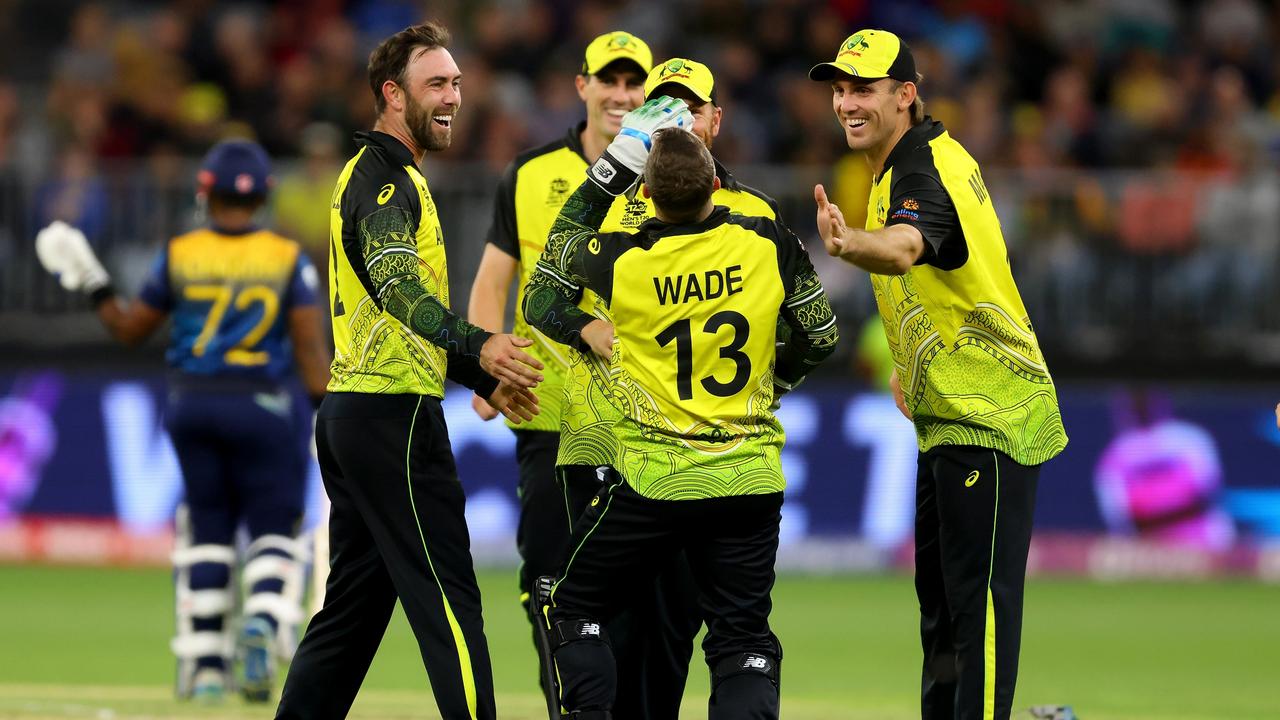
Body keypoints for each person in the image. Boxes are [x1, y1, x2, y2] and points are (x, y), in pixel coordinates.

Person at [523, 97, 839, 720]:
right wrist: (778, 383)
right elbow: (822, 334)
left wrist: (611, 166)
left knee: (571, 603)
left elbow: (541, 296)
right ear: (716, 186)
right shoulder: (767, 242)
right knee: (742, 640)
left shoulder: (622, 260)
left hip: (653, 479)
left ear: (647, 192)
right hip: (749, 477)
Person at [273, 22, 542, 720]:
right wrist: (480, 345)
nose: (453, 96)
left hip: (355, 414)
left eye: (456, 82)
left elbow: (397, 320)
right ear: (392, 95)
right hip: (393, 420)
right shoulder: (387, 182)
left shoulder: (376, 176)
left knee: (352, 614)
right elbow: (399, 292)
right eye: (436, 84)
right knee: (447, 597)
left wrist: (484, 378)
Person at [808, 29, 1069, 720]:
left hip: (990, 419)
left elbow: (905, 249)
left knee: (973, 609)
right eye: (838, 89)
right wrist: (908, 365)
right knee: (948, 612)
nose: (845, 103)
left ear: (905, 95)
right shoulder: (918, 160)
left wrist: (852, 244)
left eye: (862, 88)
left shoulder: (921, 172)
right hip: (953, 415)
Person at [34, 139, 332, 703]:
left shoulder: (180, 252)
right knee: (274, 525)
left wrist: (93, 281)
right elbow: (314, 364)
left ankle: (206, 668)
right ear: (265, 195)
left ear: (205, 192)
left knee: (208, 525)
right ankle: (264, 623)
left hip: (191, 405)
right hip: (264, 405)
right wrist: (333, 413)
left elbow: (129, 330)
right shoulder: (285, 257)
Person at [466, 29, 653, 666]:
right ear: (583, 87)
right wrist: (483, 369)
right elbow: (494, 278)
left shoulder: (672, 178)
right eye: (610, 81)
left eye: (634, 83)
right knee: (550, 577)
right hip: (548, 406)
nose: (622, 95)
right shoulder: (529, 174)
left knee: (637, 595)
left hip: (643, 414)